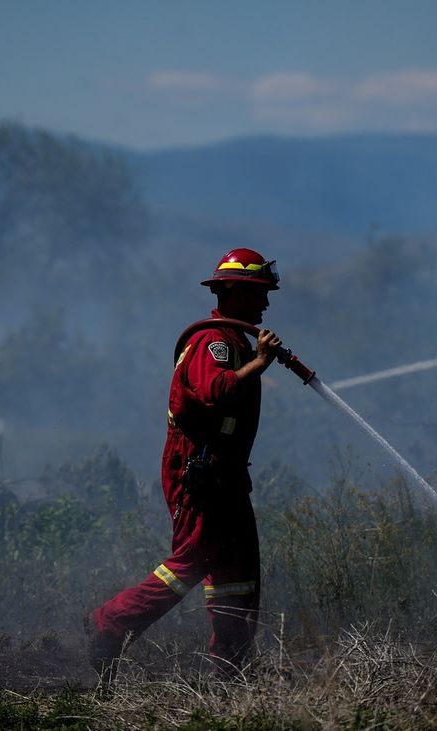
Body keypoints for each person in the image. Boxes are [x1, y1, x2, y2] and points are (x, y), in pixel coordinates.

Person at [86, 247, 283, 682]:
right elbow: (215, 391)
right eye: (259, 293)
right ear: (233, 292)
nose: (266, 304)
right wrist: (260, 363)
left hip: (227, 474)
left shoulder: (233, 342)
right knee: (192, 560)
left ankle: (230, 669)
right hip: (202, 473)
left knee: (238, 572)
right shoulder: (214, 343)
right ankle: (109, 625)